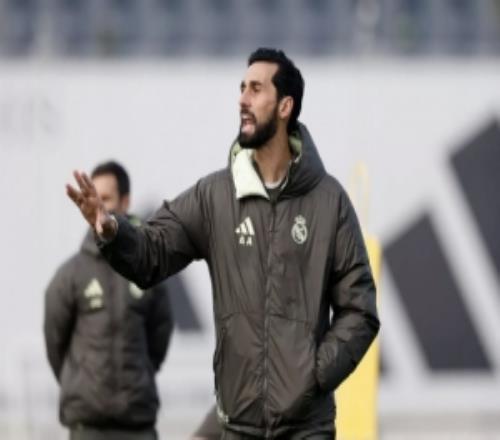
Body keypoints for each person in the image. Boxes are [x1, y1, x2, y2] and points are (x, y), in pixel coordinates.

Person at [66, 48, 380, 439]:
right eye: (241, 88)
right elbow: (151, 253)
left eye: (255, 89)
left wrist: (313, 376)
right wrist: (111, 229)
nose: (242, 99)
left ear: (285, 106)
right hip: (238, 427)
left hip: (307, 429)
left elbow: (360, 310)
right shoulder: (214, 196)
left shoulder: (329, 201)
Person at [45, 160, 173, 440]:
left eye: (105, 199)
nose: (97, 207)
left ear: (125, 202)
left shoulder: (148, 269)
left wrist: (138, 375)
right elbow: (55, 344)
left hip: (138, 425)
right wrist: (80, 384)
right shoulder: (70, 276)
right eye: (92, 198)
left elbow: (159, 338)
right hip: (88, 427)